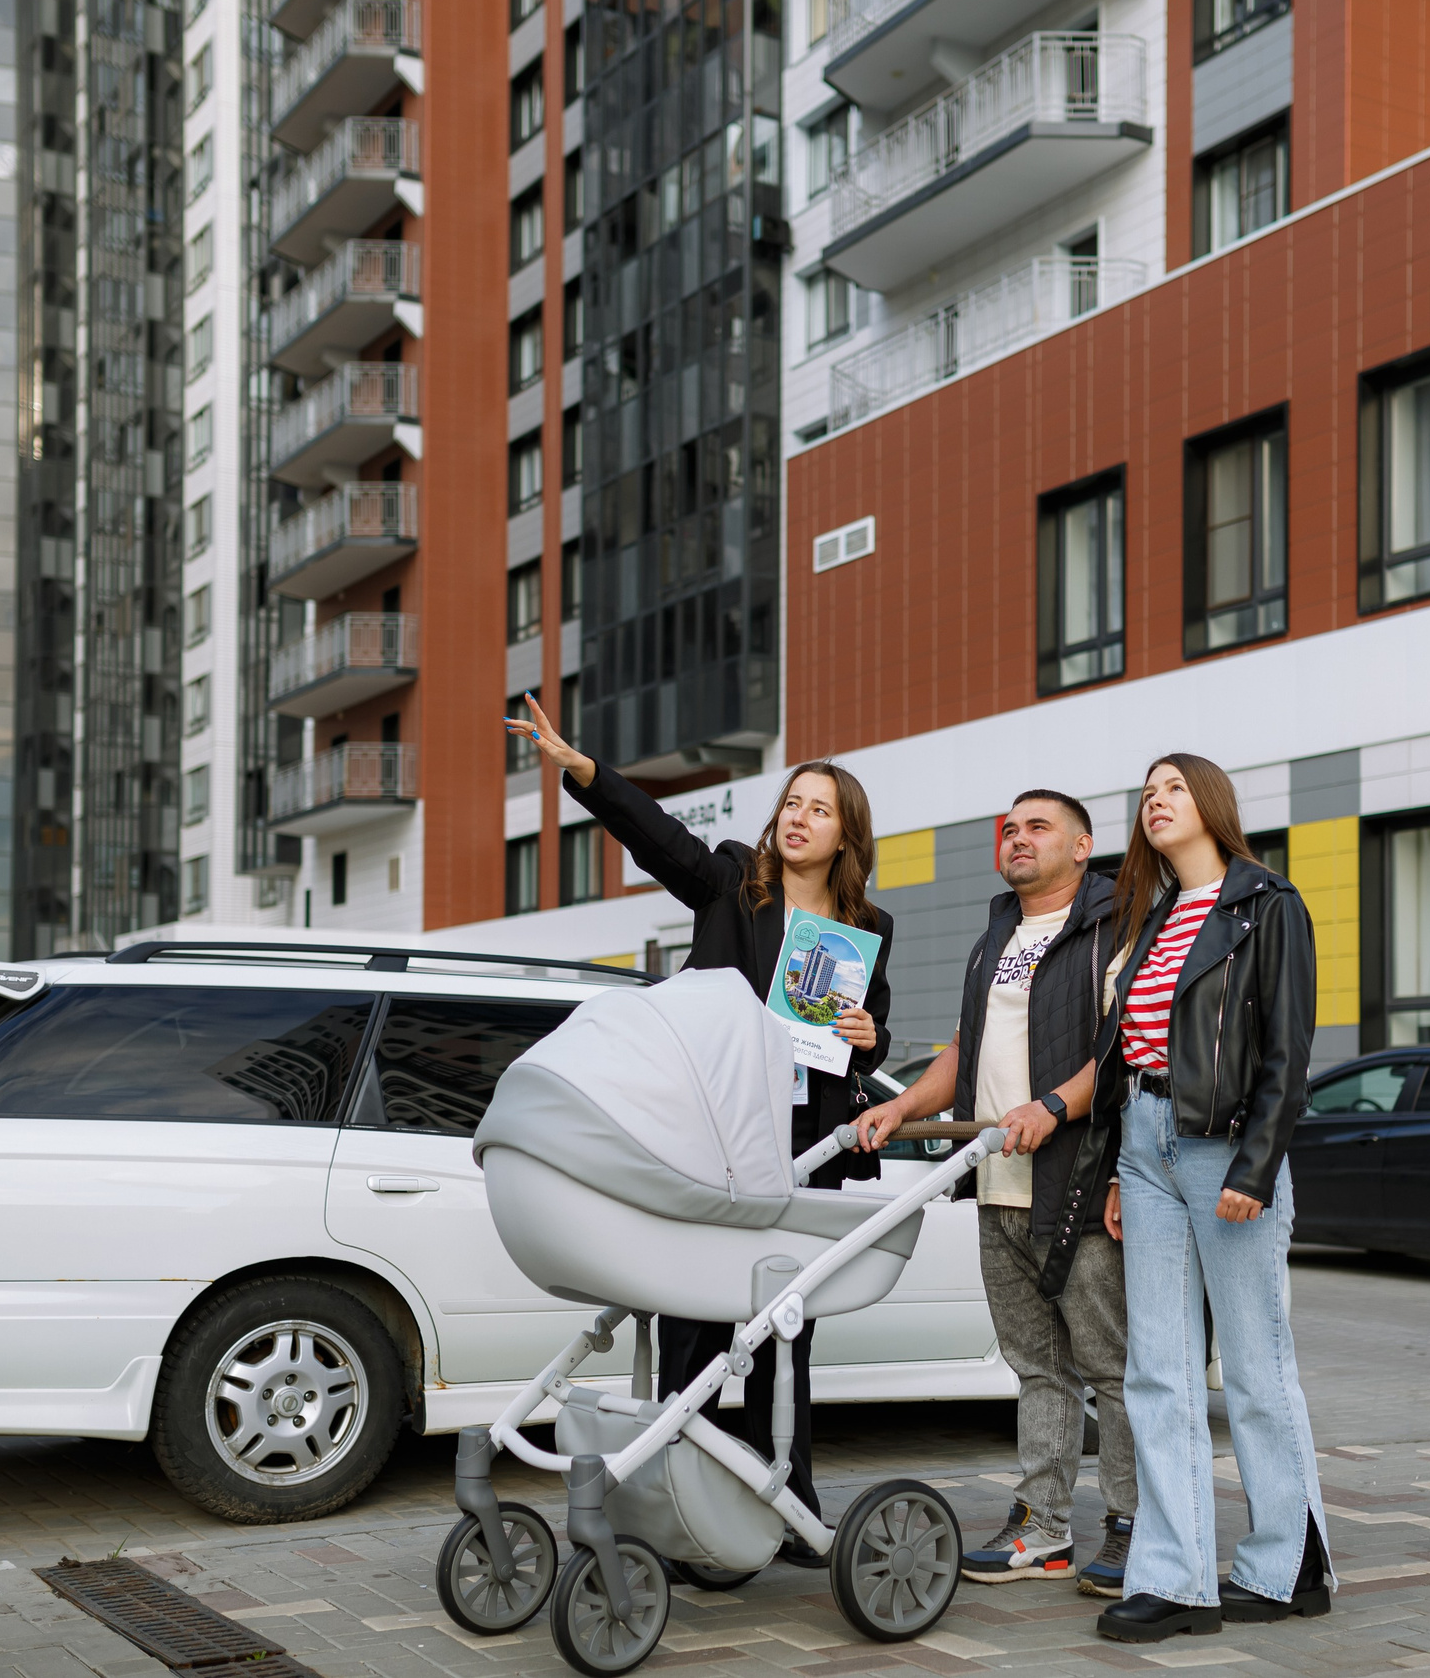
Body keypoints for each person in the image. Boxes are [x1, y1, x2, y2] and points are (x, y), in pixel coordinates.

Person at [504, 695, 891, 1569]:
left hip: (806, 1149)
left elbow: (871, 1027)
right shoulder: (729, 882)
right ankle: (680, 1507)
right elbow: (656, 835)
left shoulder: (868, 928)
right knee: (694, 1325)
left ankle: (788, 1496)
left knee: (790, 1325)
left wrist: (874, 1035)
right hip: (713, 1141)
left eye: (818, 810)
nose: (798, 818)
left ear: (845, 836)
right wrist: (583, 771)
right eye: (792, 803)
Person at [855, 790, 1137, 1598]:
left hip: (1078, 1180)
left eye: (1037, 827)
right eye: (1008, 829)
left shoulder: (1111, 929)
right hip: (998, 1184)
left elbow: (1122, 1051)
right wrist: (905, 1102)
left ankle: (1130, 1523)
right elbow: (963, 1047)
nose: (1018, 838)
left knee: (1109, 1366)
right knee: (1036, 1366)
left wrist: (1054, 1107)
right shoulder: (994, 938)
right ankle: (1043, 1529)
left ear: (1083, 846)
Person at [1088, 753, 1332, 1644]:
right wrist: (1121, 1166)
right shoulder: (1151, 920)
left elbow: (1286, 1053)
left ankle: (1287, 1560)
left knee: (1258, 1367)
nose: (1155, 801)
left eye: (1172, 789)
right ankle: (1176, 1576)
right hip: (1149, 1146)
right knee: (1156, 1368)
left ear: (1212, 806)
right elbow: (1137, 1056)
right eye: (1145, 791)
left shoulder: (1268, 905)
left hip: (1227, 1150)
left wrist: (1256, 1168)